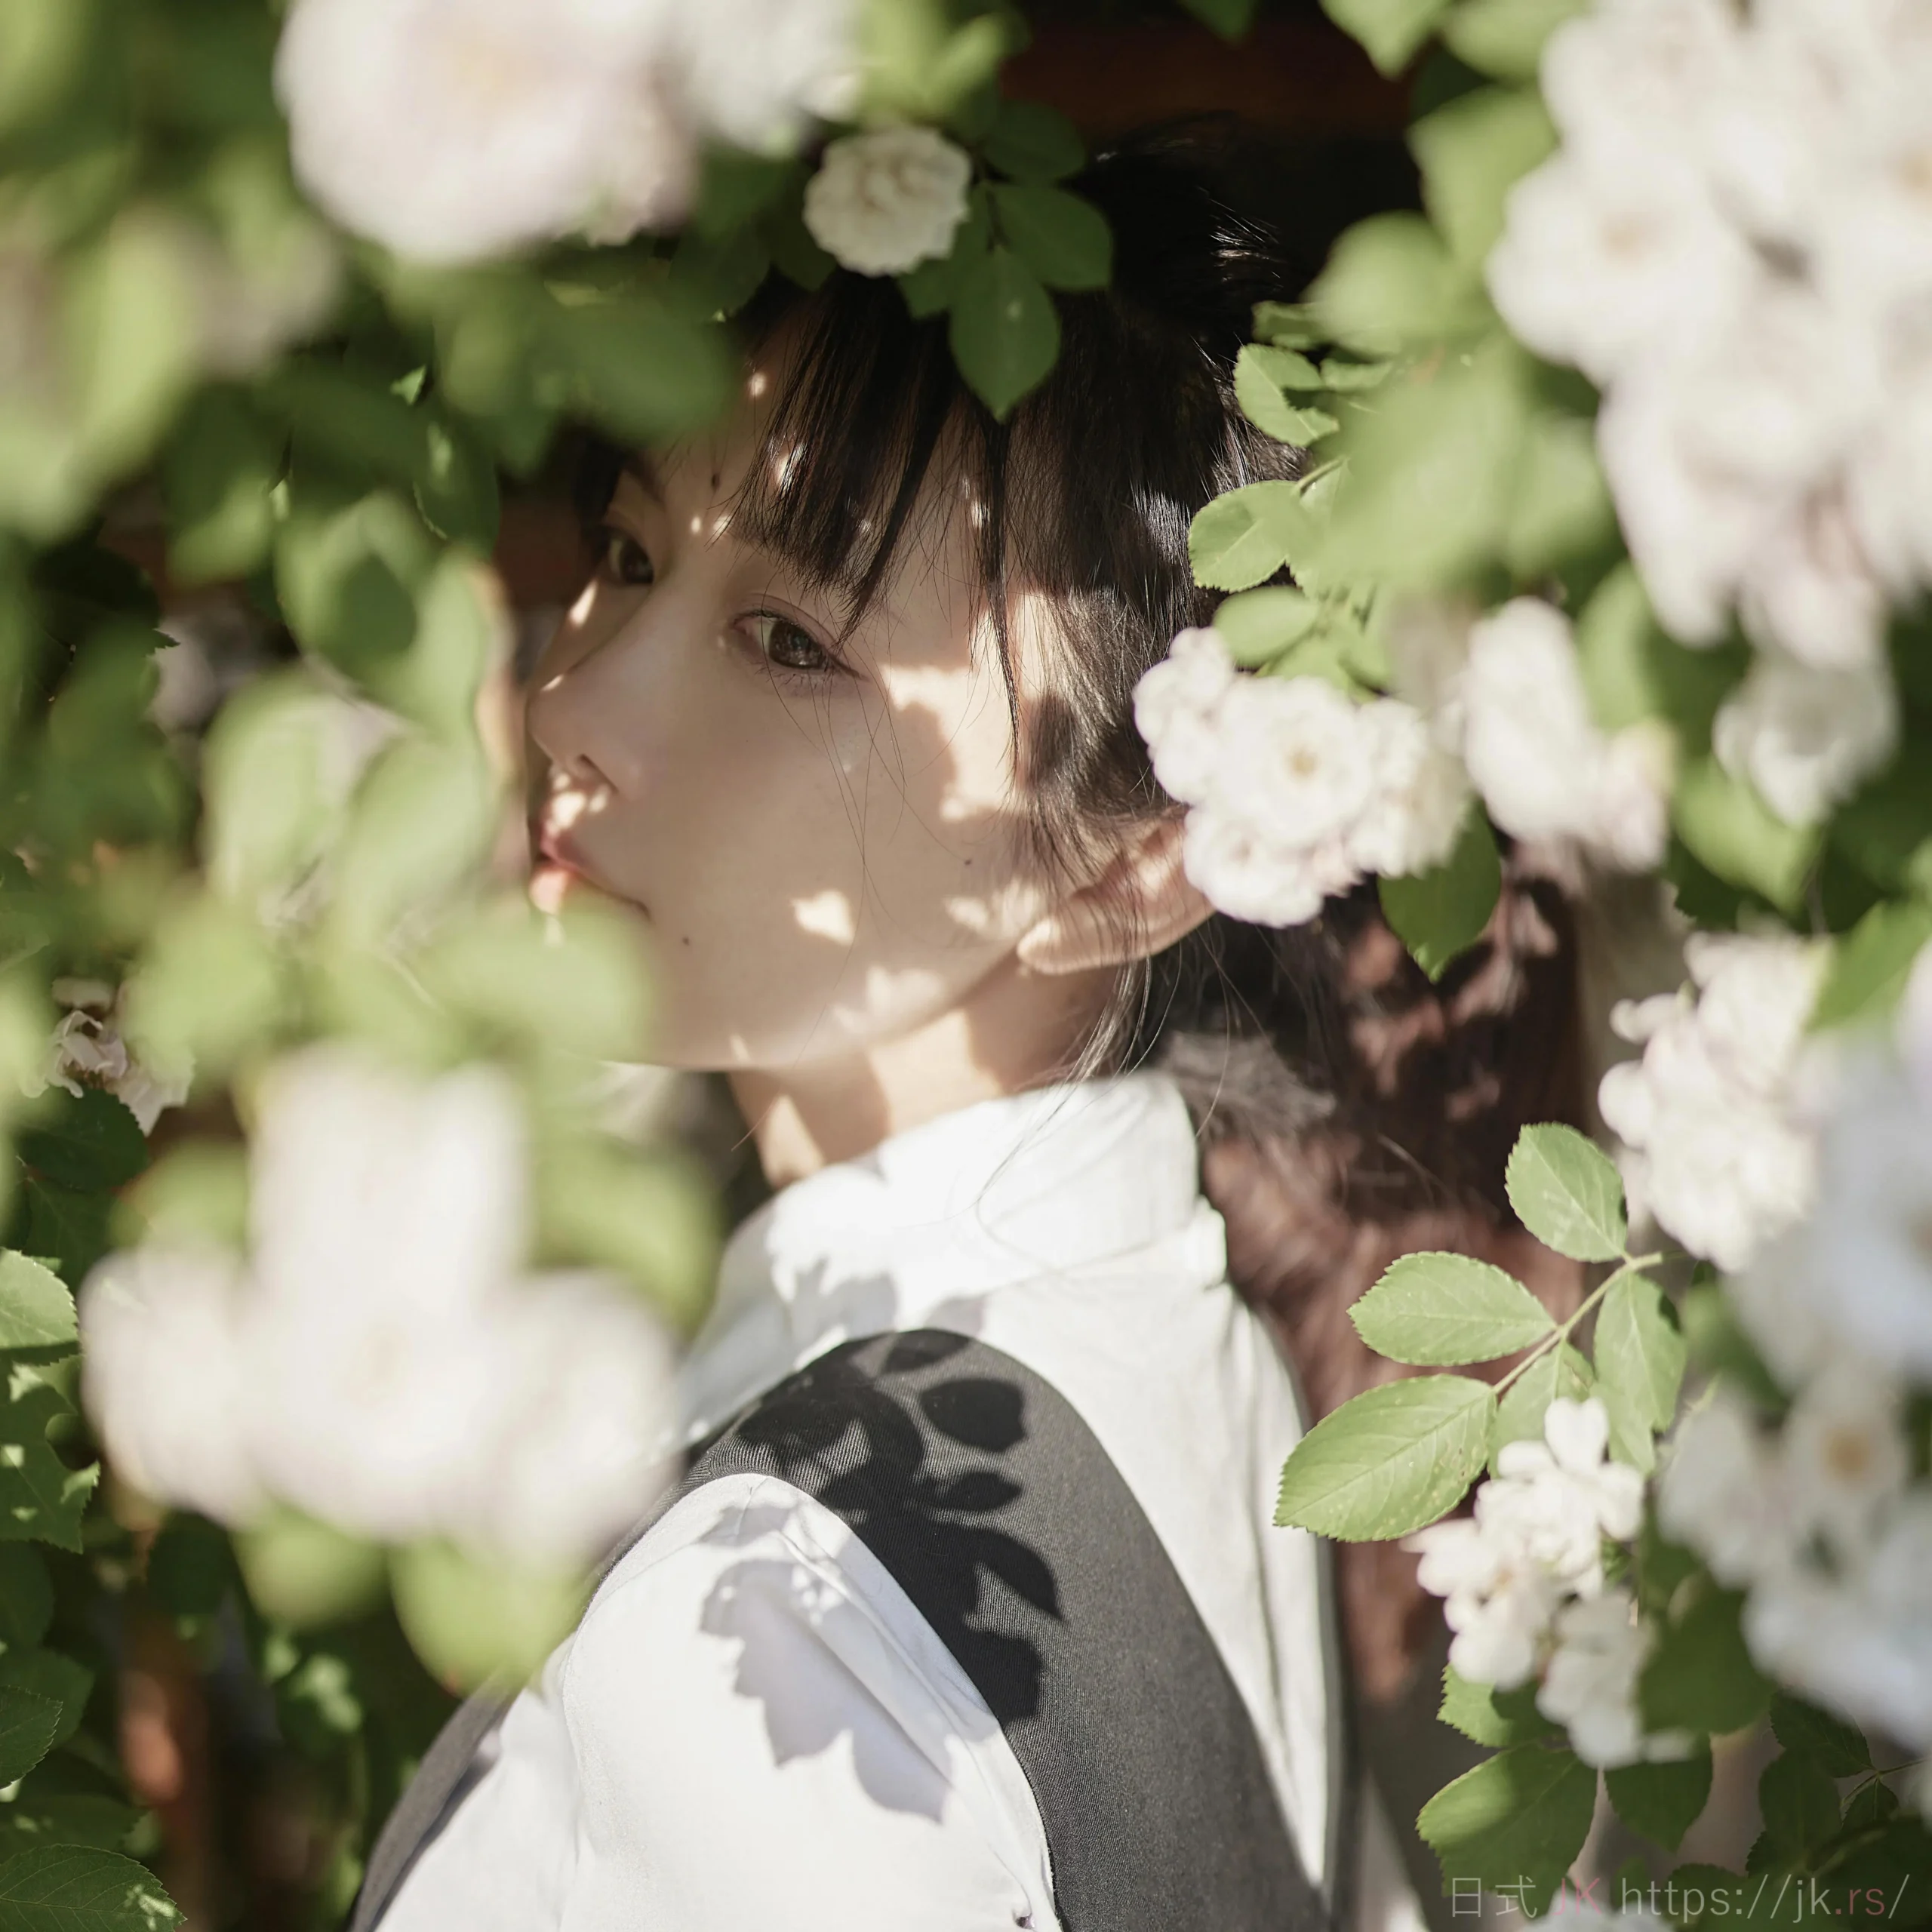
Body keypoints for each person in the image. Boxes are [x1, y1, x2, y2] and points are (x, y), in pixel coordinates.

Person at [362, 127, 1580, 1932]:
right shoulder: (1188, 1332)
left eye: (789, 639)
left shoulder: (780, 1647)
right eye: (627, 548)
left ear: (1133, 863)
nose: (572, 699)